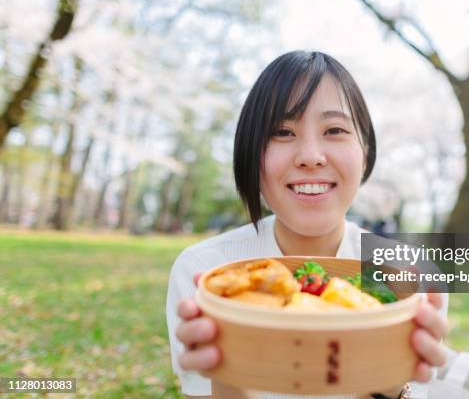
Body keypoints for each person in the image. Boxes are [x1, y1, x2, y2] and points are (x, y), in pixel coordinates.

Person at [166, 51, 449, 398]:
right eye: (283, 132)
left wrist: (391, 382)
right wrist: (228, 370)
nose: (311, 156)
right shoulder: (205, 273)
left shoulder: (409, 278)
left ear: (365, 150)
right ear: (249, 152)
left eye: (334, 129)